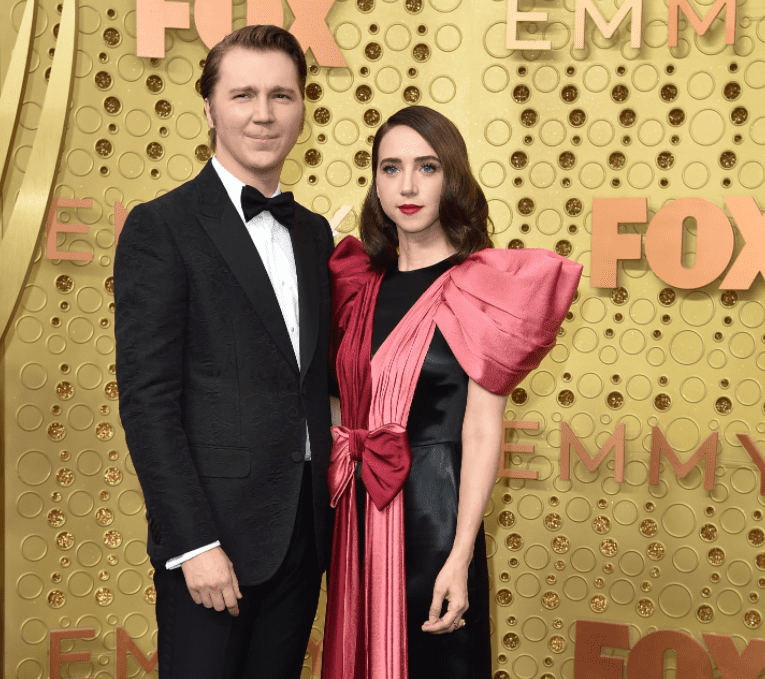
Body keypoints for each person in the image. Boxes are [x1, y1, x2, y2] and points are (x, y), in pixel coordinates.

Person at [322, 106, 582, 679]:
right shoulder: (354, 282)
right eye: (390, 168)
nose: (408, 186)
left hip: (435, 514)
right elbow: (339, 399)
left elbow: (483, 426)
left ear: (453, 178)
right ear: (375, 183)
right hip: (355, 513)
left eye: (427, 167)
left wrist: (461, 554)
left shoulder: (482, 286)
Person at [114, 25, 334, 679]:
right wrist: (193, 542)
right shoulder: (162, 225)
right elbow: (148, 400)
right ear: (208, 108)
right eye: (242, 95)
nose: (263, 113)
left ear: (303, 109)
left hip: (303, 528)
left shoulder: (316, 233)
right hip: (214, 539)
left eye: (280, 95)